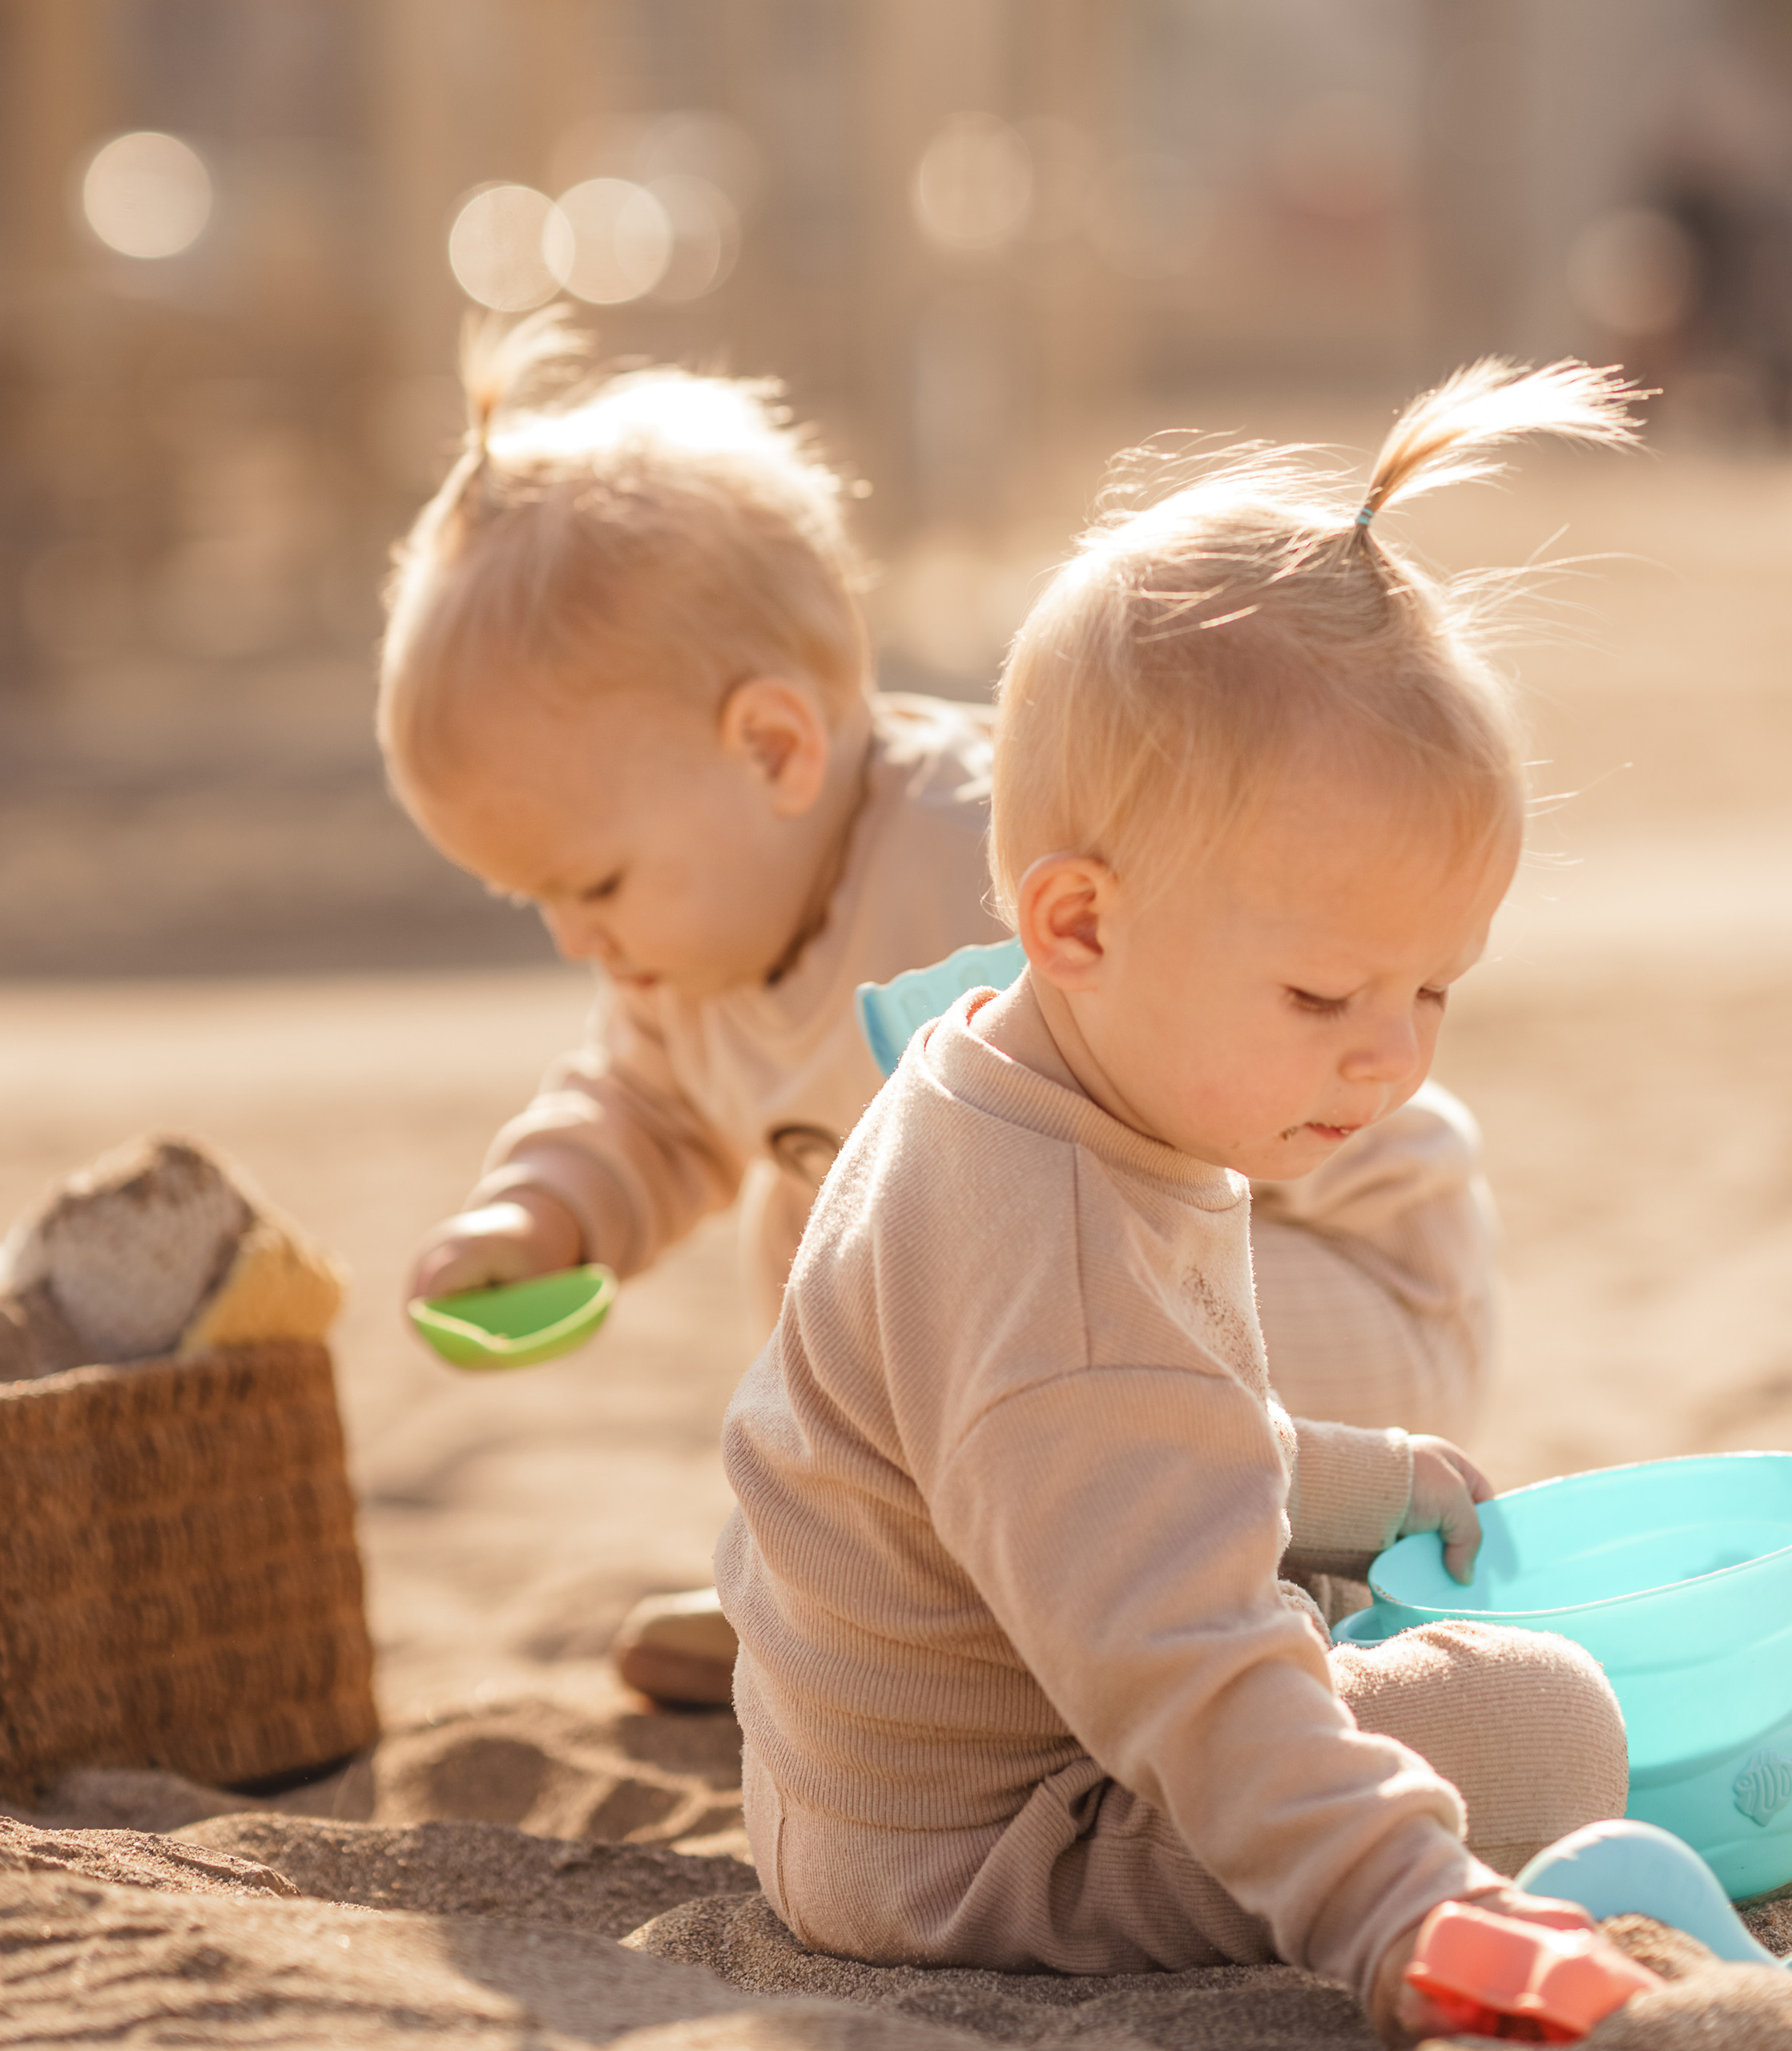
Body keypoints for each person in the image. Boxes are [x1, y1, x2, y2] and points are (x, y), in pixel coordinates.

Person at [377, 312, 1504, 1708]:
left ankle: (1058, 1611)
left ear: (774, 749)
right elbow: (642, 1111)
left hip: (1338, 1280)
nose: (574, 937)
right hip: (1091, 1329)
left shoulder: (982, 870)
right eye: (531, 898)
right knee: (836, 1230)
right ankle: (871, 1596)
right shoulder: (684, 967)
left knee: (969, 1281)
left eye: (593, 881)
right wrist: (540, 1216)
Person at [715, 362, 1645, 2043]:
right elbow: (1182, 1651)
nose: (1383, 1064)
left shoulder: (1025, 1074)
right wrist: (1406, 1910)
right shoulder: (1052, 1255)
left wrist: (1348, 1477)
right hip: (978, 1847)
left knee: (1378, 1595)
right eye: (1319, 998)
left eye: (1429, 992)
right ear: (1074, 921)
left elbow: (1147, 1444)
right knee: (1544, 1725)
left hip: (898, 1759)